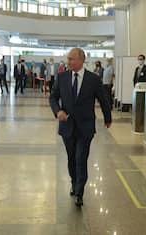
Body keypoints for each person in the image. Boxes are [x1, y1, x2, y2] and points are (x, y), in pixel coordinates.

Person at [49, 48, 112, 207]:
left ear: (81, 60)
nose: (68, 62)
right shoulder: (62, 77)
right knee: (71, 158)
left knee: (81, 158)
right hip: (67, 126)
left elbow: (103, 99)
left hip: (85, 127)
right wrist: (58, 111)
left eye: (72, 59)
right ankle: (74, 182)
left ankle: (79, 191)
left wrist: (107, 117)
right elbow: (53, 97)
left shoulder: (93, 79)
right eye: (68, 59)